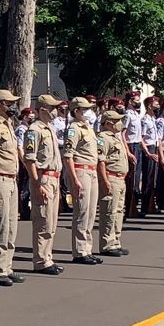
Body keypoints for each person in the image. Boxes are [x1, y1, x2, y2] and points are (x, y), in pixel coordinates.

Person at [0, 89, 24, 286]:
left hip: (11, 180)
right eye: (9, 103)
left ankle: (7, 267)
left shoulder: (8, 124)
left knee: (11, 227)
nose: (13, 106)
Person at [24, 94, 65, 275]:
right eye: (52, 107)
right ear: (42, 110)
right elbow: (30, 160)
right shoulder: (34, 130)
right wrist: (37, 183)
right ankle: (41, 260)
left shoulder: (49, 129)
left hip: (54, 178)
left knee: (52, 221)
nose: (56, 111)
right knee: (43, 221)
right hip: (43, 178)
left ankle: (47, 257)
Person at [64, 96, 102, 264]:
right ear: (76, 111)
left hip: (92, 171)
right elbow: (68, 156)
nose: (88, 112)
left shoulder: (87, 127)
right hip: (81, 171)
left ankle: (87, 248)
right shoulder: (73, 128)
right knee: (82, 211)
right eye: (85, 109)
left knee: (92, 212)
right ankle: (80, 251)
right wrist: (74, 179)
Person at [97, 109, 131, 256]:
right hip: (111, 178)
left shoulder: (116, 137)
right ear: (109, 123)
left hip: (120, 178)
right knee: (109, 212)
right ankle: (107, 244)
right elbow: (101, 161)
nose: (120, 123)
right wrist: (105, 180)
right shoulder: (103, 138)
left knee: (118, 212)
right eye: (117, 121)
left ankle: (116, 240)